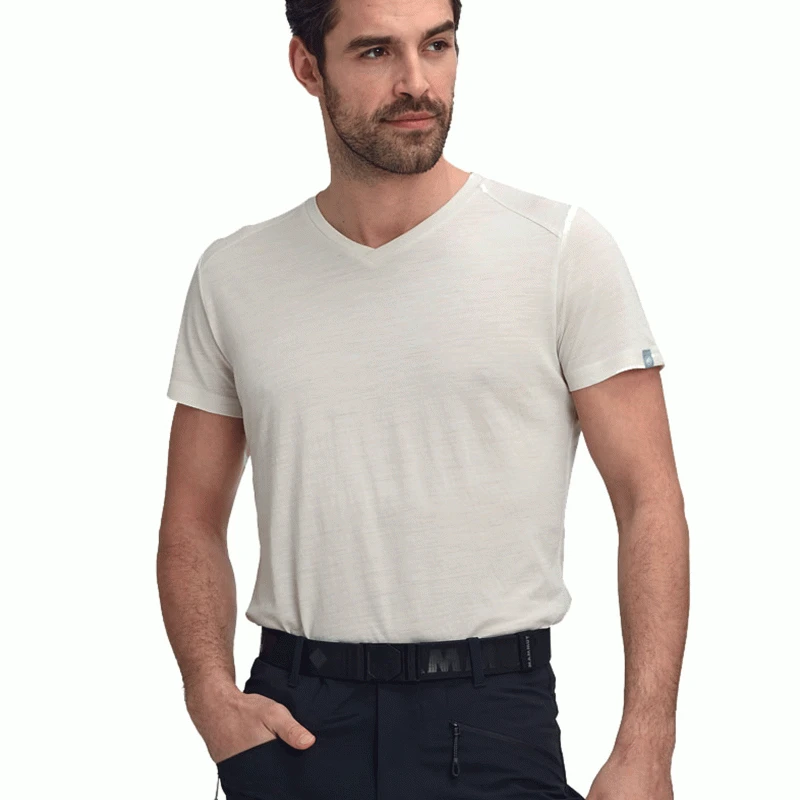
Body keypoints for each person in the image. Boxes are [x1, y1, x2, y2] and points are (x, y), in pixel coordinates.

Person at [158, 1, 688, 798]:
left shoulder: (559, 251)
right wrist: (210, 693)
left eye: (436, 45)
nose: (417, 82)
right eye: (375, 52)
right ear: (308, 67)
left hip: (492, 715)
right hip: (294, 720)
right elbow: (192, 518)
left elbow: (649, 499)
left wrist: (648, 744)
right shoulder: (235, 275)